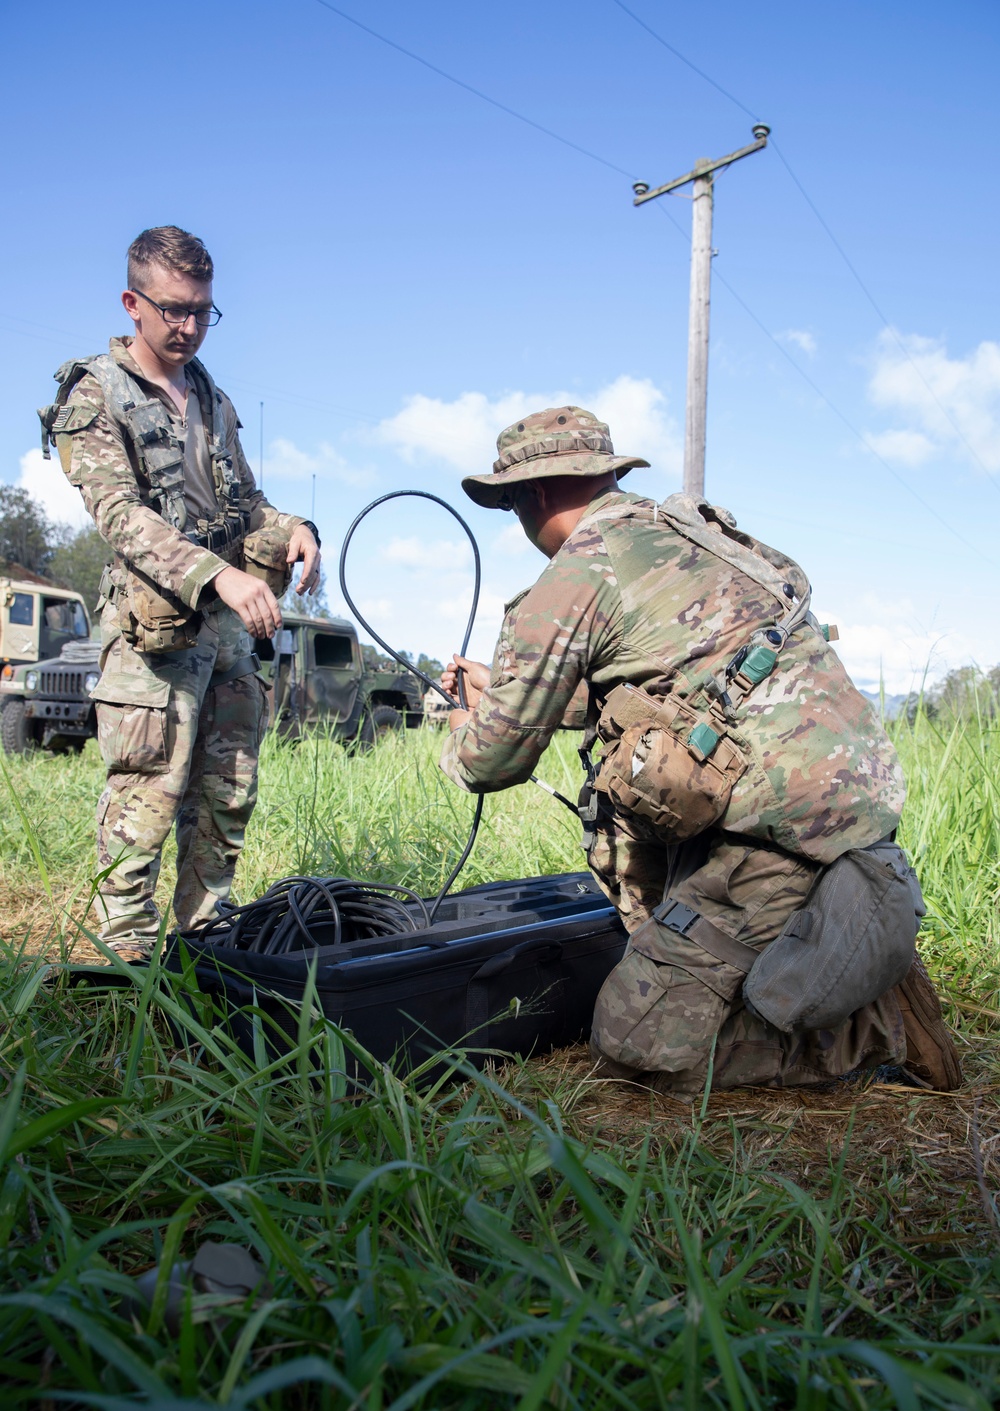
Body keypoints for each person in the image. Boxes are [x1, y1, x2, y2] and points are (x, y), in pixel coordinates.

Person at [439, 406, 961, 1095]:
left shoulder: (575, 574)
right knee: (625, 781)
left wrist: (459, 722)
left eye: (509, 502)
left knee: (634, 1046)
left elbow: (490, 762)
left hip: (780, 840)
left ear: (530, 494)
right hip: (832, 806)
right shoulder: (684, 537)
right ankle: (744, 956)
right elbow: (664, 684)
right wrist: (502, 688)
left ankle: (876, 1027)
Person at [41, 225, 321, 958]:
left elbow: (248, 503)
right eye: (174, 309)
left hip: (226, 636)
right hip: (151, 638)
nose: (190, 327)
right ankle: (124, 972)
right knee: (146, 800)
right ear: (133, 303)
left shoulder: (209, 395)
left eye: (202, 311)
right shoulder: (95, 392)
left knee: (227, 796)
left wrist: (295, 529)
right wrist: (215, 572)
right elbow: (118, 515)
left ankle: (205, 954)